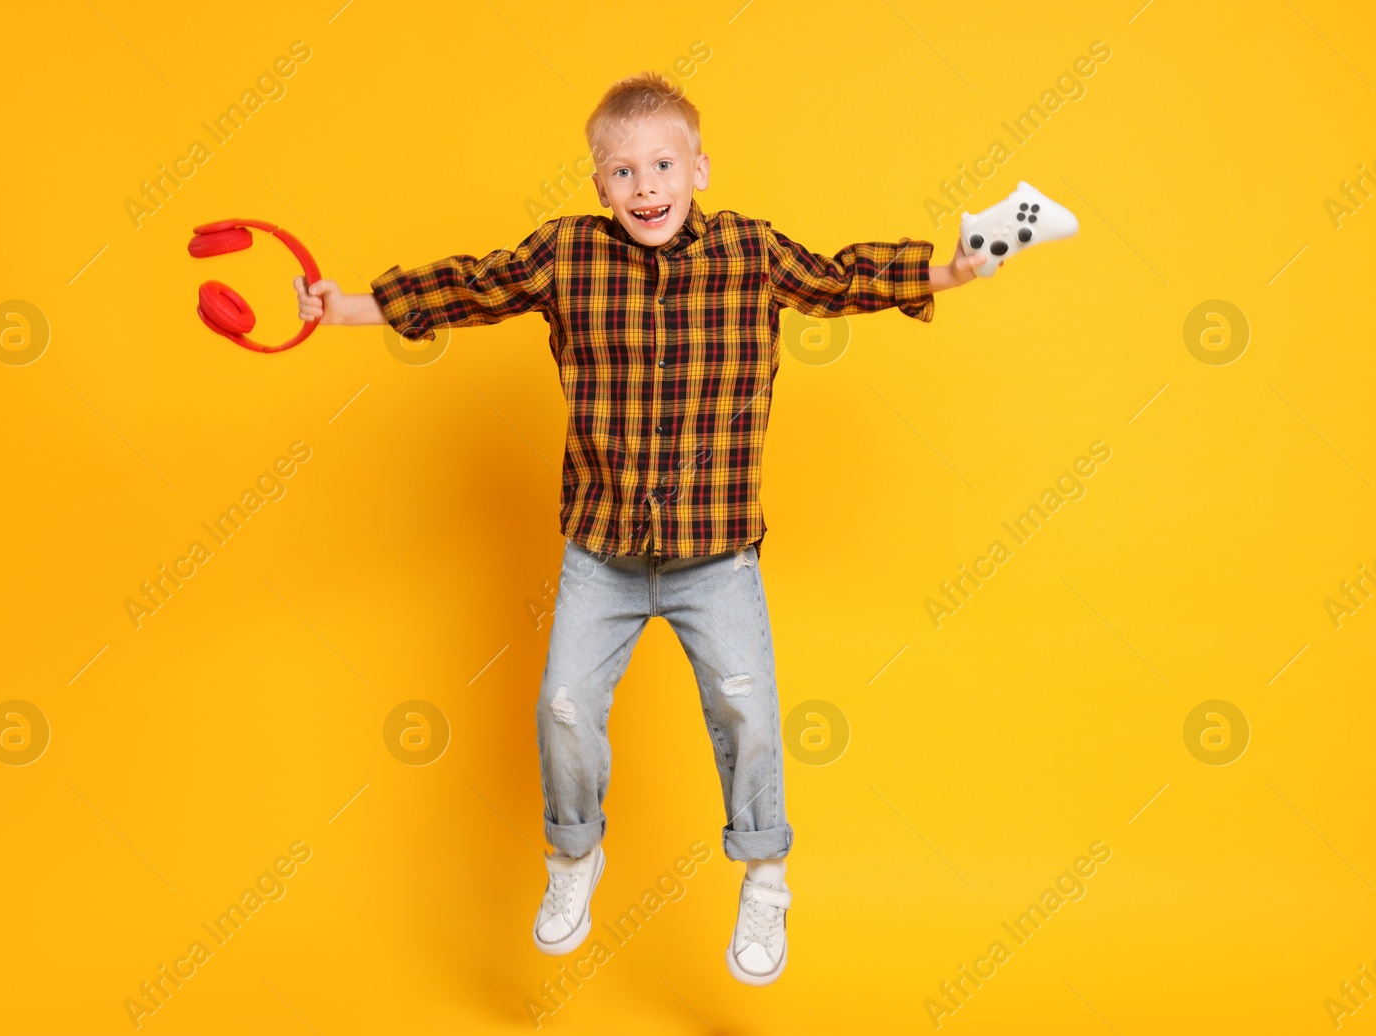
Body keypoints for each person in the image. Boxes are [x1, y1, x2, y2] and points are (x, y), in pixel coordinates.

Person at [294, 70, 992, 986]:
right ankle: (574, 858)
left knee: (748, 710)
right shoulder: (566, 255)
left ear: (700, 167)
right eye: (622, 172)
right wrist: (346, 308)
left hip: (718, 555)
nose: (646, 187)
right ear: (598, 185)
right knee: (563, 708)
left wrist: (951, 266)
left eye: (663, 164)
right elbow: (468, 289)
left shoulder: (751, 250)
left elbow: (842, 278)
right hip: (601, 555)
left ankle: (767, 879)